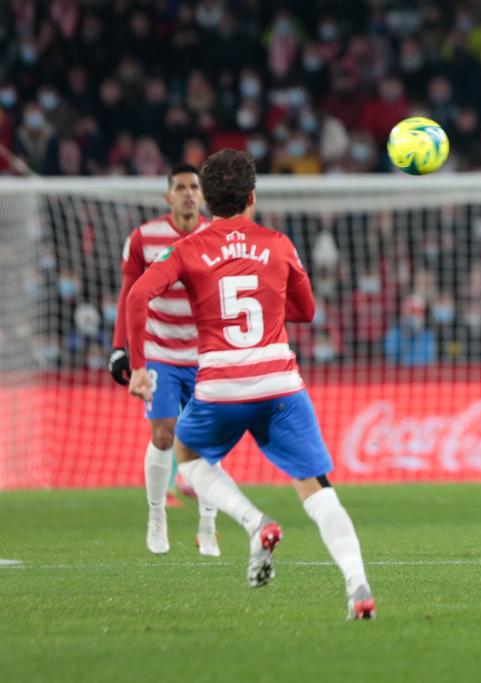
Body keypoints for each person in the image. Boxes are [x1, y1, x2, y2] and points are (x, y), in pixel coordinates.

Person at [124, 149, 375, 620]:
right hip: (279, 385)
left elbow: (139, 293)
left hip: (220, 386)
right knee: (319, 491)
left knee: (185, 457)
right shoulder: (278, 243)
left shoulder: (187, 248)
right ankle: (357, 585)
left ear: (208, 202)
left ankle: (254, 522)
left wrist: (140, 367)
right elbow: (307, 312)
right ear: (252, 197)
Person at [108, 162, 219, 557]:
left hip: (207, 354)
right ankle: (157, 516)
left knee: (208, 441)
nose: (189, 193)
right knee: (162, 435)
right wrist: (121, 347)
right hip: (159, 353)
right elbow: (129, 294)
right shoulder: (144, 238)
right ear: (167, 195)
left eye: (195, 187)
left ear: (203, 195)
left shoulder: (217, 236)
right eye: (181, 187)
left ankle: (208, 525)